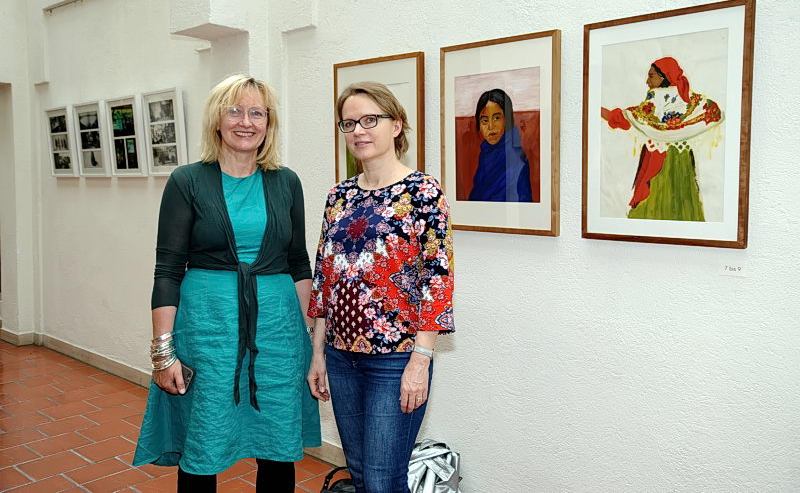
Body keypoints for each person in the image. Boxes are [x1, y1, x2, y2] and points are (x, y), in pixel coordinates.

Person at [133, 74, 321, 492]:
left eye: (257, 112)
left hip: (278, 336)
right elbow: (168, 269)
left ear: (269, 122)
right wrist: (163, 353)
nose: (246, 122)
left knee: (277, 445)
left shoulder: (286, 181)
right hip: (208, 333)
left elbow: (298, 263)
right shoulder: (187, 181)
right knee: (204, 442)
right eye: (234, 111)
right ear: (216, 120)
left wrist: (315, 344)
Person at [307, 81, 455, 493]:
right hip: (340, 357)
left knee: (382, 479)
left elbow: (437, 279)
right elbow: (324, 278)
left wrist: (420, 361)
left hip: (397, 360)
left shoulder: (423, 191)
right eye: (349, 123)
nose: (359, 130)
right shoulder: (338, 196)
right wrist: (318, 353)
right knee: (360, 474)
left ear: (397, 125)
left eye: (370, 119)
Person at [601, 57, 724, 221]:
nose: (647, 81)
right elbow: (713, 113)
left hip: (658, 157)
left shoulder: (657, 98)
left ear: (665, 76)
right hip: (682, 157)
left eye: (651, 76)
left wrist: (601, 111)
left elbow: (629, 117)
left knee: (656, 196)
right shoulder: (692, 100)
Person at [468, 88, 532, 202]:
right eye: (485, 120)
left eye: (497, 118)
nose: (490, 126)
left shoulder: (515, 157)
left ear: (507, 119)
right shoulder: (486, 152)